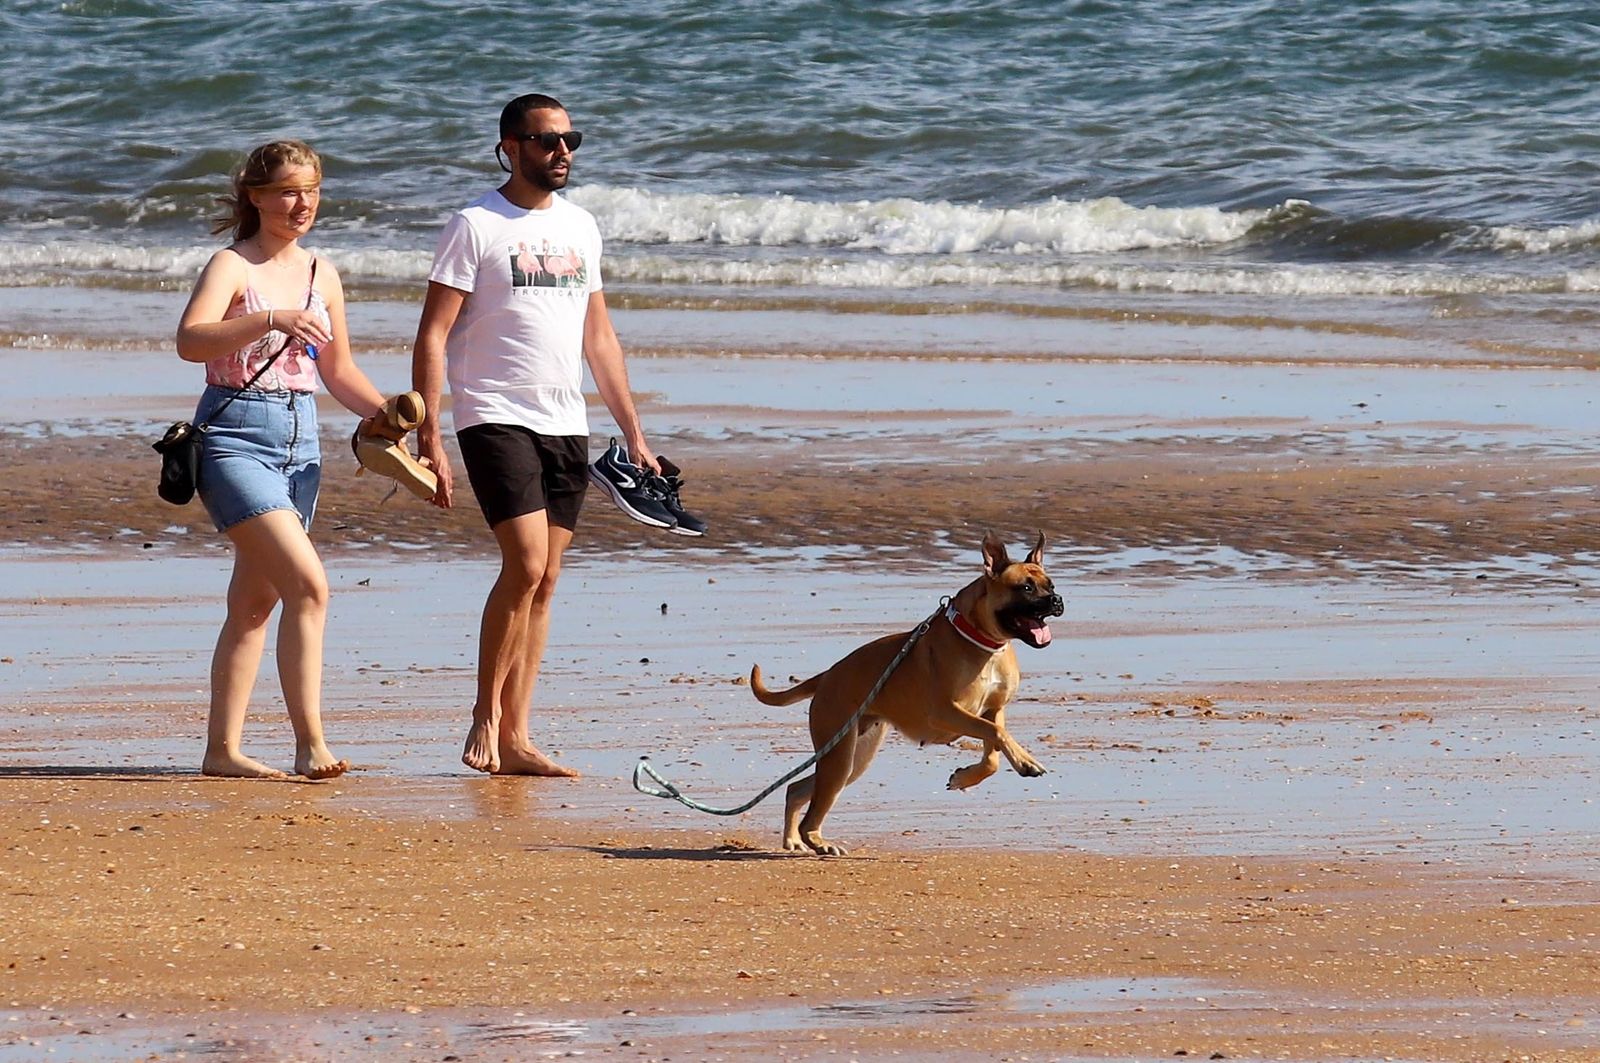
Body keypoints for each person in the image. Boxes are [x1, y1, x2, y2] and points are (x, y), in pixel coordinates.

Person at [411, 93, 658, 776]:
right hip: (492, 412)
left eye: (570, 139)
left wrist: (632, 430)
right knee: (522, 563)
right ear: (509, 147)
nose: (563, 152)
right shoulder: (475, 225)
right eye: (547, 141)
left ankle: (518, 736)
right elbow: (432, 334)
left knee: (546, 579)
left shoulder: (582, 227)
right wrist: (431, 432)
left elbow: (599, 338)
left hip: (564, 420)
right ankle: (484, 714)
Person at [176, 140, 401, 779]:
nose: (301, 203)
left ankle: (221, 752)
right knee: (309, 586)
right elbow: (190, 341)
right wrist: (269, 318)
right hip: (233, 436)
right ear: (254, 195)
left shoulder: (320, 272)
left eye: (311, 190)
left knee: (254, 605)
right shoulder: (232, 265)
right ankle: (312, 746)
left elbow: (339, 369)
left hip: (301, 445)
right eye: (286, 191)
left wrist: (382, 414)